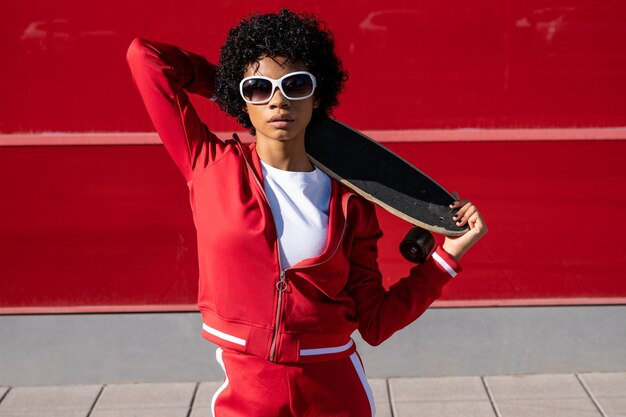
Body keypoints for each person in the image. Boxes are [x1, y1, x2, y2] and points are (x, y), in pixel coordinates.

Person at [126, 9, 487, 417]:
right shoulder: (210, 166)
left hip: (334, 392)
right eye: (260, 88)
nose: (279, 100)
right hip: (248, 393)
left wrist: (446, 257)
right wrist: (228, 88)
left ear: (317, 96)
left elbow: (376, 323)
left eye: (296, 85)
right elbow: (145, 57)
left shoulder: (352, 203)